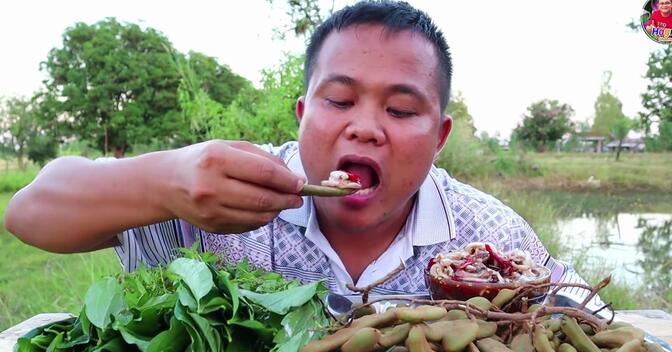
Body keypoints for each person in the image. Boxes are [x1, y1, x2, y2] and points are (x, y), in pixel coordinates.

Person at [5, 1, 600, 309]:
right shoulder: (222, 192)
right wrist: (170, 179)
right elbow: (31, 213)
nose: (365, 128)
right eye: (339, 99)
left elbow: (587, 319)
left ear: (439, 138)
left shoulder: (487, 233)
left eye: (400, 111)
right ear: (301, 114)